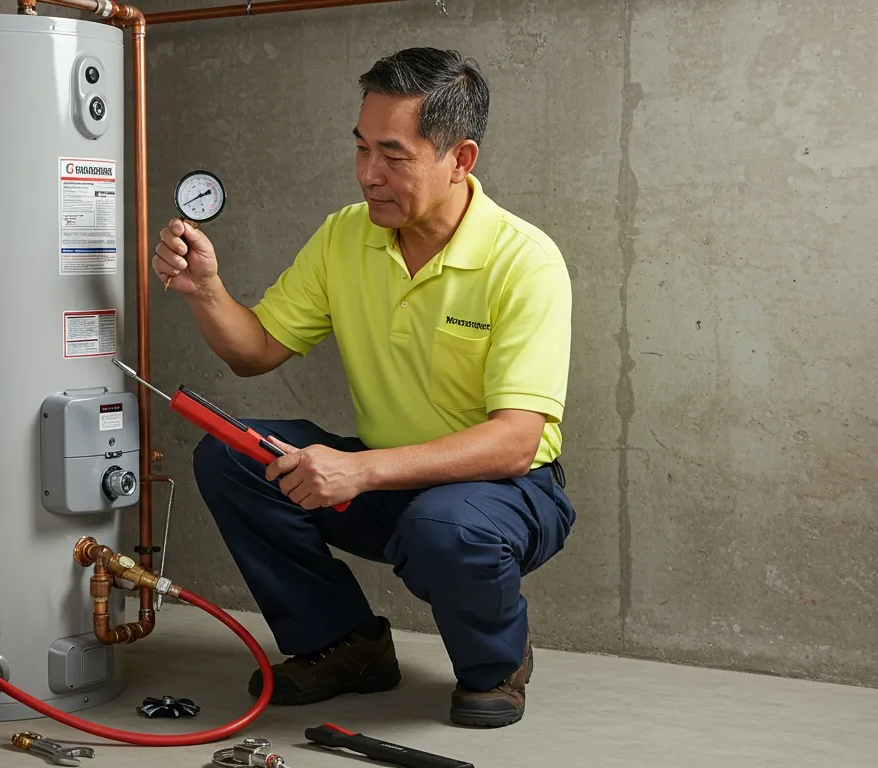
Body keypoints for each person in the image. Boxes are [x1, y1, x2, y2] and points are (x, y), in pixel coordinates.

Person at [152, 47, 576, 728]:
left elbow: (516, 442)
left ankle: (499, 663)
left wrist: (359, 470)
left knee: (445, 526)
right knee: (231, 456)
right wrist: (206, 290)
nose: (367, 175)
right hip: (384, 486)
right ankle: (343, 643)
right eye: (360, 148)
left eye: (394, 155)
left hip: (505, 493)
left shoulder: (523, 260)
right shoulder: (346, 236)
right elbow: (255, 351)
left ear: (460, 159)